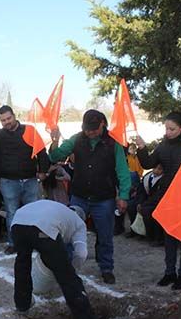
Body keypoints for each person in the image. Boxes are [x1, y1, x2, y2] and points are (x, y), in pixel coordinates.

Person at [11, 200, 115, 319]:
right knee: (69, 281)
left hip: (18, 222)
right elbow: (81, 253)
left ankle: (22, 304)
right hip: (44, 227)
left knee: (22, 264)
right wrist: (71, 271)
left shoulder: (58, 209)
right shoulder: (78, 222)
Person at [49, 109, 131, 284]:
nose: (90, 132)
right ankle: (67, 266)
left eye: (93, 128)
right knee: (70, 232)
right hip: (79, 195)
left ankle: (106, 267)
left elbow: (123, 171)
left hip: (104, 199)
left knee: (105, 235)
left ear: (103, 123)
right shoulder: (76, 139)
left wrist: (123, 195)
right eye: (87, 128)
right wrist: (54, 141)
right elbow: (55, 156)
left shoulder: (113, 144)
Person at [136, 111, 181, 290]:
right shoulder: (164, 144)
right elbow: (148, 163)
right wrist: (142, 148)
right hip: (167, 196)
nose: (167, 132)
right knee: (168, 238)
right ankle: (169, 273)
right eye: (166, 128)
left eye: (172, 129)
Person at [0, 105, 49, 254]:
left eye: (8, 118)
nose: (7, 122)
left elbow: (42, 151)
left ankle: (34, 242)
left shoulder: (29, 130)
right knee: (12, 213)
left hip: (30, 180)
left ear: (14, 116)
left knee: (33, 213)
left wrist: (43, 170)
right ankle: (13, 243)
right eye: (3, 120)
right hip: (8, 181)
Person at [134, 163, 165, 245]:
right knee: (131, 206)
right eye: (155, 168)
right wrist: (140, 202)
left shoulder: (164, 180)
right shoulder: (147, 177)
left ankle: (154, 237)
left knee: (148, 211)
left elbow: (158, 196)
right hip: (146, 201)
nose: (156, 171)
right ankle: (136, 231)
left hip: (157, 202)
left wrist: (144, 204)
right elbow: (141, 192)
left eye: (159, 169)